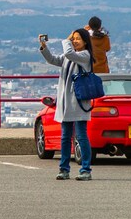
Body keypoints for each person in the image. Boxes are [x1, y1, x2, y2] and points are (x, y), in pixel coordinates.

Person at [39, 29, 95, 181]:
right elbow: (53, 59)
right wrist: (44, 47)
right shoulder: (69, 56)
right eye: (74, 39)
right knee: (65, 137)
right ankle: (64, 169)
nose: (75, 41)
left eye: (78, 39)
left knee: (81, 136)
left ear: (85, 41)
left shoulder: (84, 56)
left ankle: (85, 169)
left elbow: (70, 54)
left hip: (78, 102)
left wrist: (66, 39)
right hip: (65, 103)